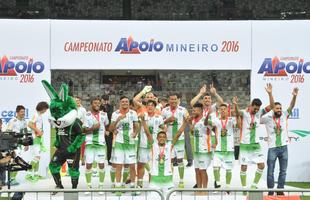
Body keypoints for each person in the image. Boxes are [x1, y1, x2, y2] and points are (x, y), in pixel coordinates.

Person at [234, 83, 274, 192]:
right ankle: (243, 189)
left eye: (258, 109)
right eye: (255, 108)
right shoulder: (244, 113)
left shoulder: (259, 113)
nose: (256, 110)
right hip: (245, 145)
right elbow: (237, 112)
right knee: (244, 167)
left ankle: (254, 186)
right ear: (251, 105)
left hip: (255, 145)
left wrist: (270, 94)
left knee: (261, 165)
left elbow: (272, 106)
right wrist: (235, 104)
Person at [261, 88, 299, 196]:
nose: (279, 110)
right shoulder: (267, 117)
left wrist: (294, 96)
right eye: (277, 108)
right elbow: (258, 118)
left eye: (280, 108)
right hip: (272, 148)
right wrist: (270, 94)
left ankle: (280, 190)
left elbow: (291, 106)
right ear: (273, 109)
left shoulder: (284, 115)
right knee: (270, 172)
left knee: (283, 171)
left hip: (284, 147)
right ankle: (271, 191)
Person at [109, 96, 139, 196]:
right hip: (119, 143)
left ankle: (133, 187)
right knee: (119, 165)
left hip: (130, 143)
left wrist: (135, 133)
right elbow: (110, 128)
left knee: (132, 165)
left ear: (128, 103)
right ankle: (118, 187)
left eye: (126, 101)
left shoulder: (133, 113)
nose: (125, 103)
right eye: (123, 101)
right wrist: (117, 119)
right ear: (120, 103)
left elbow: (136, 125)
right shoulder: (115, 114)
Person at [162, 93, 189, 188]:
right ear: (169, 100)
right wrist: (167, 120)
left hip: (180, 139)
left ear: (178, 100)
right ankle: (170, 181)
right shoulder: (164, 110)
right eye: (171, 99)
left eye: (175, 99)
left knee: (180, 160)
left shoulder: (183, 110)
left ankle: (181, 181)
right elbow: (160, 123)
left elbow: (187, 121)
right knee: (170, 160)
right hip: (168, 139)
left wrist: (187, 119)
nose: (173, 101)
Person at [211, 102, 240, 191]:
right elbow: (209, 125)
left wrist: (235, 105)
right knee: (215, 166)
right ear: (219, 111)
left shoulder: (231, 120)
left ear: (228, 111)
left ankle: (228, 187)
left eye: (225, 109)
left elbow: (238, 125)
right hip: (219, 149)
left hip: (229, 150)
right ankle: (218, 182)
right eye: (221, 109)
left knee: (229, 169)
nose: (223, 111)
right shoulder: (216, 120)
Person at [83, 97, 109, 195]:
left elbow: (106, 126)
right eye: (95, 103)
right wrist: (93, 128)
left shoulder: (104, 115)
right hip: (90, 143)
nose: (97, 104)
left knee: (101, 164)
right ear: (91, 104)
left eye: (98, 103)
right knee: (89, 164)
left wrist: (106, 131)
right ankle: (88, 186)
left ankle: (101, 186)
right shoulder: (87, 115)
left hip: (101, 143)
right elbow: (84, 130)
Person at [137, 100, 164, 190]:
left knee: (154, 166)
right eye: (148, 105)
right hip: (143, 144)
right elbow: (136, 126)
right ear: (146, 107)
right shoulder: (142, 116)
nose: (150, 107)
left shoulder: (159, 117)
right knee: (141, 164)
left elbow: (163, 128)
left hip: (154, 145)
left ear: (155, 107)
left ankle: (152, 185)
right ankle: (139, 185)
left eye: (152, 105)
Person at [188, 103, 216, 193]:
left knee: (202, 170)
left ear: (200, 110)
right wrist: (190, 125)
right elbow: (193, 133)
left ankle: (205, 190)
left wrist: (215, 142)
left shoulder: (206, 119)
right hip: (196, 149)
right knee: (197, 170)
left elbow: (214, 128)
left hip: (204, 149)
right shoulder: (193, 120)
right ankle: (199, 189)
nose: (193, 111)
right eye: (192, 110)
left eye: (195, 110)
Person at [6, 105, 29, 186]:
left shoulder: (24, 121)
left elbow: (26, 132)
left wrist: (27, 143)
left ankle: (12, 179)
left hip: (20, 143)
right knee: (13, 160)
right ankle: (10, 179)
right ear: (17, 112)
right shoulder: (13, 121)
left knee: (17, 160)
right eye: (22, 112)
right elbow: (7, 132)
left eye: (24, 112)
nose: (23, 113)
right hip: (12, 144)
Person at [26, 101, 49, 182]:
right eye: (45, 109)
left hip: (38, 139)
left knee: (37, 157)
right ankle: (29, 174)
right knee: (37, 157)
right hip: (35, 138)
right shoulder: (36, 115)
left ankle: (35, 174)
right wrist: (38, 131)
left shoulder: (39, 115)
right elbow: (29, 124)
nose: (45, 111)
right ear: (42, 108)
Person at [100, 95, 114, 165]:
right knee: (100, 145)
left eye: (106, 100)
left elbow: (110, 116)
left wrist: (108, 130)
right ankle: (100, 159)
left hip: (109, 129)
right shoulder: (99, 107)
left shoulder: (111, 107)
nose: (104, 102)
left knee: (109, 145)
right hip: (101, 129)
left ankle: (109, 160)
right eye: (103, 100)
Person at [75, 96, 87, 166]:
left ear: (80, 101)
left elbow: (85, 119)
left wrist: (84, 128)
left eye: (78, 100)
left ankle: (83, 159)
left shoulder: (83, 109)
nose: (77, 102)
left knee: (83, 145)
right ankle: (76, 158)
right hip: (74, 129)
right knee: (75, 144)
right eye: (76, 101)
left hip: (81, 128)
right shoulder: (72, 109)